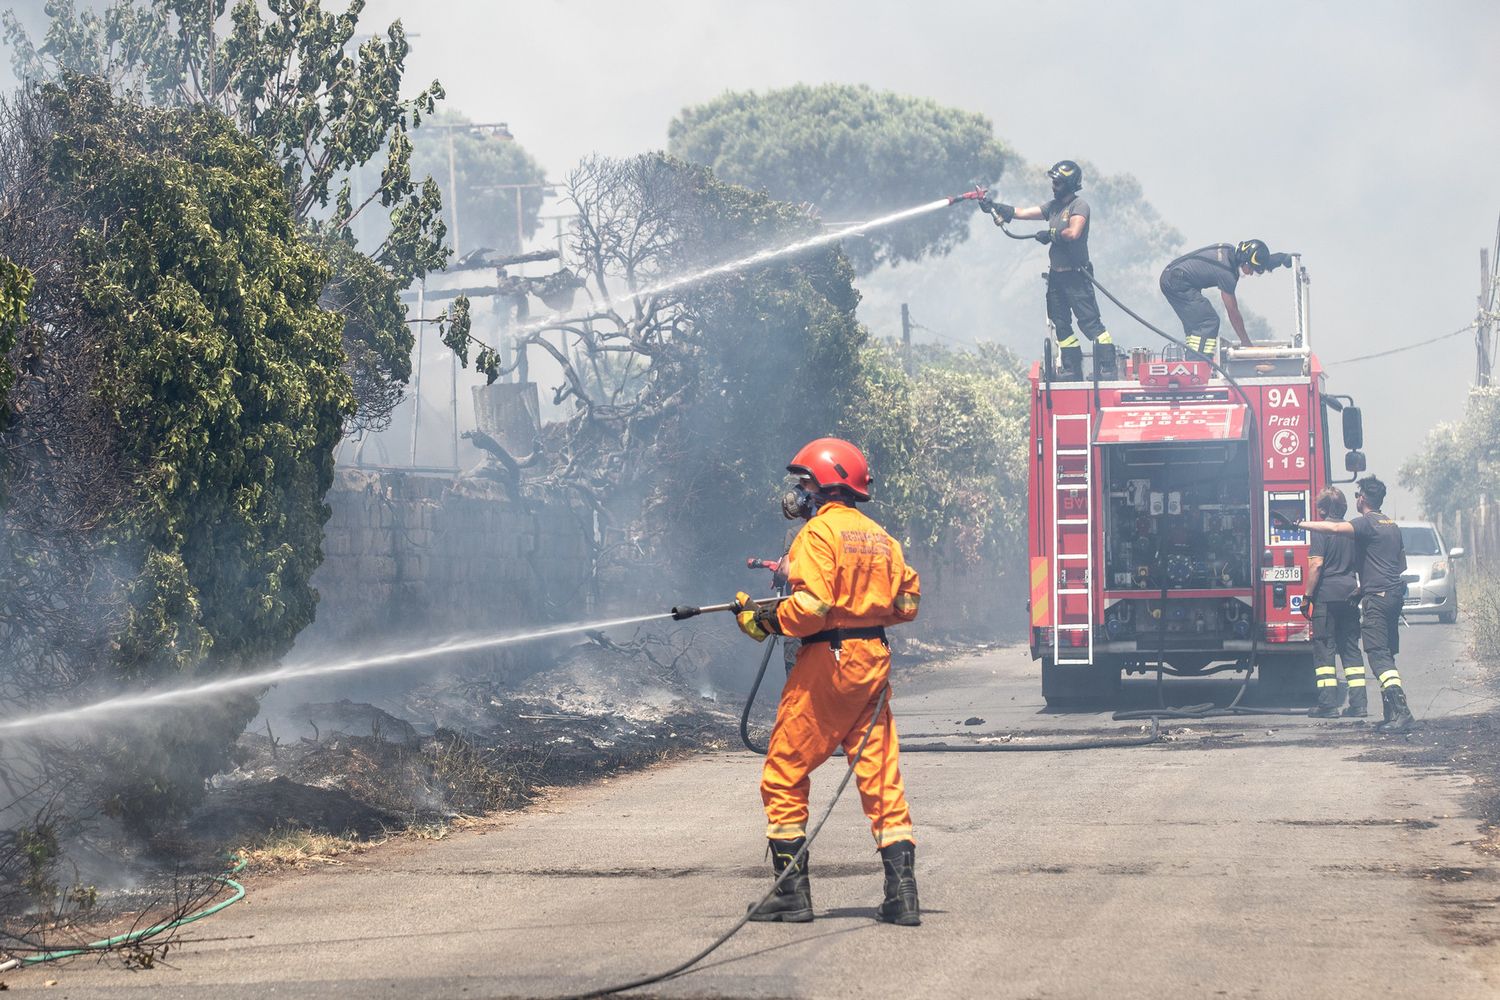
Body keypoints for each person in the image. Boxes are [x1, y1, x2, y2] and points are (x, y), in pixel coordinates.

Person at [733, 437, 923, 925]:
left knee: (784, 771)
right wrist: (862, 610)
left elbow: (811, 610)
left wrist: (763, 620)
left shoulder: (817, 533)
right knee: (880, 777)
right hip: (872, 662)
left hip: (828, 664)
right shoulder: (882, 538)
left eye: (803, 483)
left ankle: (791, 893)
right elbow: (906, 604)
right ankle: (903, 895)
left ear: (822, 485)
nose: (798, 493)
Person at [1297, 476, 1415, 732]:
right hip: (1383, 595)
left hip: (1362, 598)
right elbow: (1401, 564)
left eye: (1357, 495)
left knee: (1375, 654)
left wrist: (1299, 524)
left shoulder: (1364, 524)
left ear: (1362, 498)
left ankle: (1401, 712)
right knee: (1375, 651)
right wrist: (1365, 586)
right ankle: (1384, 711)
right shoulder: (1392, 526)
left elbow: (1329, 538)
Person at [982, 160, 1116, 380]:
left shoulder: (1079, 206)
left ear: (1069, 184)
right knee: (1061, 323)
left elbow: (1073, 232)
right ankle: (1072, 369)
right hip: (1056, 277)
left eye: (1058, 183)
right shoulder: (1053, 207)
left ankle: (1107, 368)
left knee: (1089, 322)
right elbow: (1022, 212)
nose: (1053, 186)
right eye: (1053, 182)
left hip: (1076, 275)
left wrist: (1051, 234)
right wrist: (995, 207)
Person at [1158, 240, 1292, 360]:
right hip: (1176, 283)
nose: (1251, 273)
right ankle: (1198, 364)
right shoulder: (1227, 273)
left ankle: (1194, 360)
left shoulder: (1230, 252)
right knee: (1207, 322)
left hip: (1173, 277)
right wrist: (1246, 343)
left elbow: (1258, 260)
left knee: (1196, 327)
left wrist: (1282, 258)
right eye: (1251, 269)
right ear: (1245, 262)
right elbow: (1233, 311)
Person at [1303, 487, 1369, 718]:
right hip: (1350, 595)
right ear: (1344, 507)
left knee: (1325, 650)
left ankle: (1327, 704)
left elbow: (1316, 565)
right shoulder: (1353, 531)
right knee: (1350, 649)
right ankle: (1359, 705)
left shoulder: (1321, 531)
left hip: (1326, 597)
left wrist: (1307, 597)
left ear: (1322, 509)